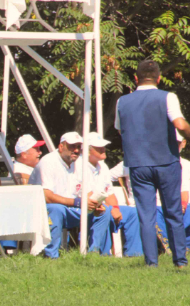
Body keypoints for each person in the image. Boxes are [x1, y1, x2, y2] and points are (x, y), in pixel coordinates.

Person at [115, 59, 190, 267]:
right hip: (166, 161)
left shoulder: (122, 101)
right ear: (158, 78)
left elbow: (121, 130)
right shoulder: (168, 97)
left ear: (136, 78)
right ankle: (180, 261)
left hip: (138, 164)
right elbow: (179, 123)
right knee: (173, 212)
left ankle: (151, 263)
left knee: (146, 214)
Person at [29, 132, 111, 258]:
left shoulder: (80, 164)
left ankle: (93, 254)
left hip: (70, 208)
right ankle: (51, 256)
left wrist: (96, 204)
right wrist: (78, 202)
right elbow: (47, 196)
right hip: (42, 210)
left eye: (79, 146)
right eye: (72, 146)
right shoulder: (48, 162)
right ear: (61, 147)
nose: (76, 150)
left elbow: (86, 191)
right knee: (56, 209)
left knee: (104, 212)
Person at [75, 133, 143, 257]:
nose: (103, 149)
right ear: (88, 151)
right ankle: (98, 253)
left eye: (104, 146)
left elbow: (109, 193)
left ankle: (134, 254)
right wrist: (110, 208)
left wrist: (116, 208)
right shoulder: (78, 166)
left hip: (103, 205)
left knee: (133, 213)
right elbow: (85, 193)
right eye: (99, 147)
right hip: (85, 207)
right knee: (105, 211)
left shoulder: (103, 166)